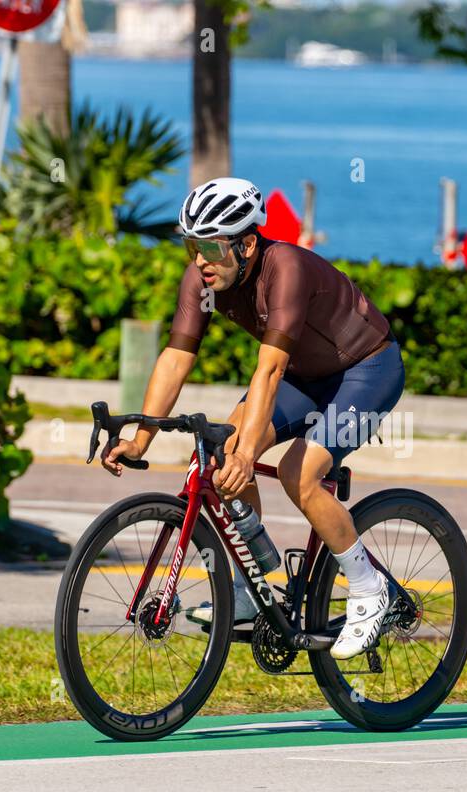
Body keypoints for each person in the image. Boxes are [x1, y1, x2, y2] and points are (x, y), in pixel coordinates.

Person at [101, 177, 405, 660]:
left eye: (209, 247)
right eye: (190, 245)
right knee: (219, 460)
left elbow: (270, 368)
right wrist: (142, 440)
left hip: (366, 370)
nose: (199, 259)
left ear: (246, 243)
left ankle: (370, 588)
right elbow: (177, 357)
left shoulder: (286, 269)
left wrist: (249, 453)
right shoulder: (202, 279)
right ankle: (252, 587)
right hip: (307, 378)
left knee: (297, 473)